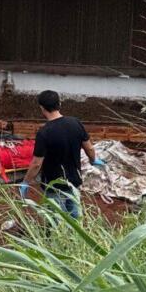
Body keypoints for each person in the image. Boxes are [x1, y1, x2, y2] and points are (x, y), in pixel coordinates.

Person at [18, 90, 103, 219]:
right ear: (59, 104)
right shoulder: (75, 123)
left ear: (42, 108)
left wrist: (25, 182)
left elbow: (36, 164)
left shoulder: (44, 133)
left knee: (56, 221)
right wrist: (93, 160)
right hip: (73, 182)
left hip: (54, 186)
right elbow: (89, 148)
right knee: (75, 218)